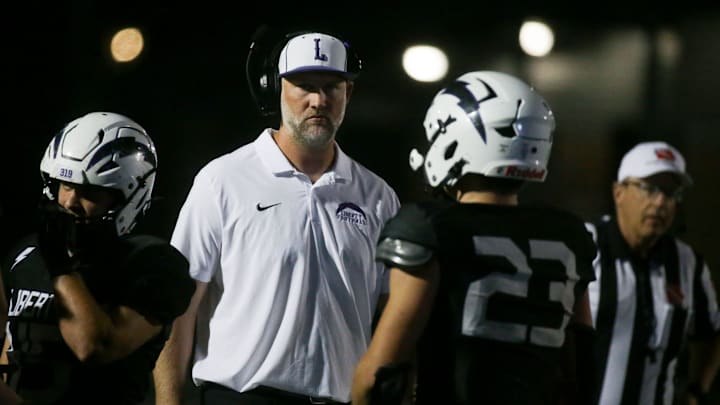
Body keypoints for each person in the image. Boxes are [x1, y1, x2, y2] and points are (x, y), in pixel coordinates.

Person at [153, 29, 400, 405]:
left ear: (348, 94)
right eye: (304, 85)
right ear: (276, 89)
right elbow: (177, 307)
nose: (318, 100)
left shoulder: (378, 196)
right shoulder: (224, 180)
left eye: (332, 87)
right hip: (241, 398)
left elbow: (392, 317)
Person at [351, 71, 598, 405]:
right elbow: (582, 358)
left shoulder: (430, 227)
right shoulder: (569, 234)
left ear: (456, 139)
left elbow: (378, 372)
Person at [0, 111, 196, 404]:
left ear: (129, 196)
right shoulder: (26, 254)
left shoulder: (154, 264)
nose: (68, 202)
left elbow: (93, 346)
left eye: (89, 192)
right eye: (64, 186)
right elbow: (13, 348)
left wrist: (60, 263)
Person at [586, 141, 720, 405]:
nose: (660, 202)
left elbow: (712, 330)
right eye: (649, 188)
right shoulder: (585, 248)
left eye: (671, 193)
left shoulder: (685, 262)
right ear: (618, 192)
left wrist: (696, 391)